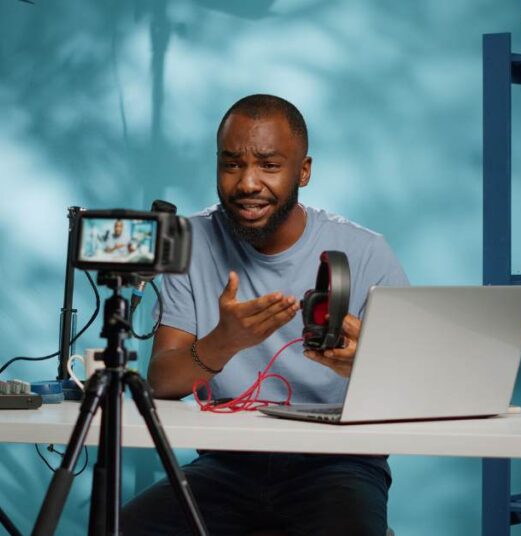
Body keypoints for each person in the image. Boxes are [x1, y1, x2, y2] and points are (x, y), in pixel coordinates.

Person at [121, 94, 408, 536]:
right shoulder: (188, 242)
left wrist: (367, 365)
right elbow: (161, 381)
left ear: (304, 171)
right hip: (228, 464)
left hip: (340, 466)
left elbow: (412, 393)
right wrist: (225, 341)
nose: (247, 183)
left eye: (269, 166)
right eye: (232, 164)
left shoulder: (367, 251)